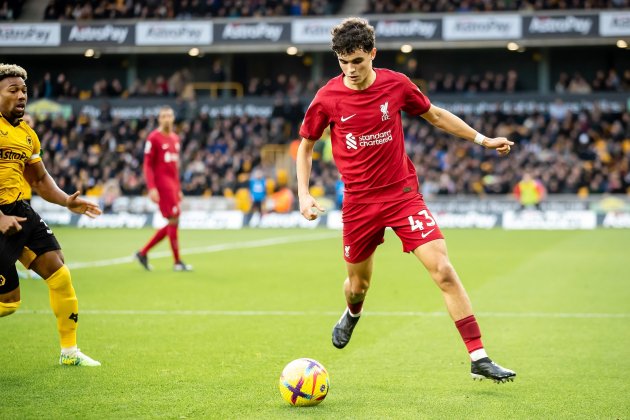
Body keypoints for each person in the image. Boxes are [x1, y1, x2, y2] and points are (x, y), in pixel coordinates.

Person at [296, 18, 516, 383]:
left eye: (358, 61)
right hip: (358, 204)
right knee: (358, 285)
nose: (350, 70)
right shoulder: (327, 98)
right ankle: (352, 313)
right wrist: (304, 195)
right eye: (343, 62)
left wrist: (483, 140)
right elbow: (306, 147)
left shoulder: (396, 84)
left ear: (373, 55)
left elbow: (435, 116)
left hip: (402, 195)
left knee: (443, 270)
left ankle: (479, 356)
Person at [0, 63, 102, 366]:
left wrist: (65, 201)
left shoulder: (27, 135)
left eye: (24, 91)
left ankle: (69, 352)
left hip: (17, 210)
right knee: (9, 304)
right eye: (13, 90)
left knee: (59, 274)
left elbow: (40, 180)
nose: (21, 96)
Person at [135, 106, 192, 272]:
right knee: (174, 218)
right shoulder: (153, 138)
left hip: (173, 185)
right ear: (159, 119)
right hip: (162, 184)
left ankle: (143, 253)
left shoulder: (175, 138)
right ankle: (176, 262)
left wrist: (178, 188)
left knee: (174, 220)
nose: (167, 119)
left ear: (173, 118)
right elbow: (147, 165)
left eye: (169, 116)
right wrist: (152, 187)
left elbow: (175, 167)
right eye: (163, 116)